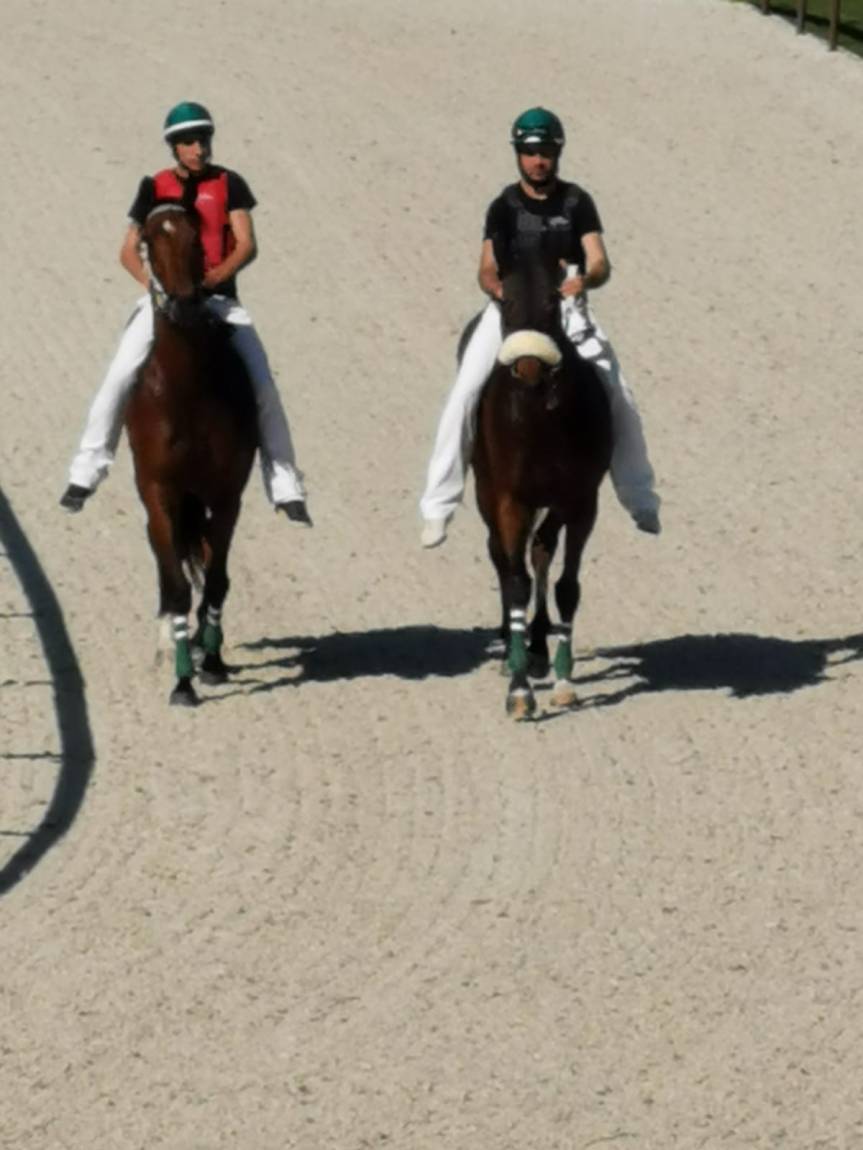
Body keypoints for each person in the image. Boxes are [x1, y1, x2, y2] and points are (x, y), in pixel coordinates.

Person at [60, 101, 311, 525]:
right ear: (175, 147)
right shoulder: (152, 188)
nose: (199, 149)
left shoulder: (230, 184)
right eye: (190, 142)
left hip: (218, 301)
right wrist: (156, 289)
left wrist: (214, 279)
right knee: (119, 376)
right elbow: (128, 251)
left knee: (263, 386)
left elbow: (246, 244)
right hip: (164, 303)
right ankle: (87, 469)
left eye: (204, 140)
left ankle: (284, 480)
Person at [419, 106, 660, 548]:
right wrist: (497, 289)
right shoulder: (503, 207)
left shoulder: (577, 202)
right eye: (530, 152)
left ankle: (639, 497)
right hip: (509, 312)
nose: (538, 160)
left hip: (566, 309)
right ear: (518, 154)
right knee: (464, 394)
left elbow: (599, 260)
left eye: (546, 151)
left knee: (618, 393)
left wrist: (585, 280)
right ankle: (438, 506)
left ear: (557, 153)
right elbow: (486, 267)